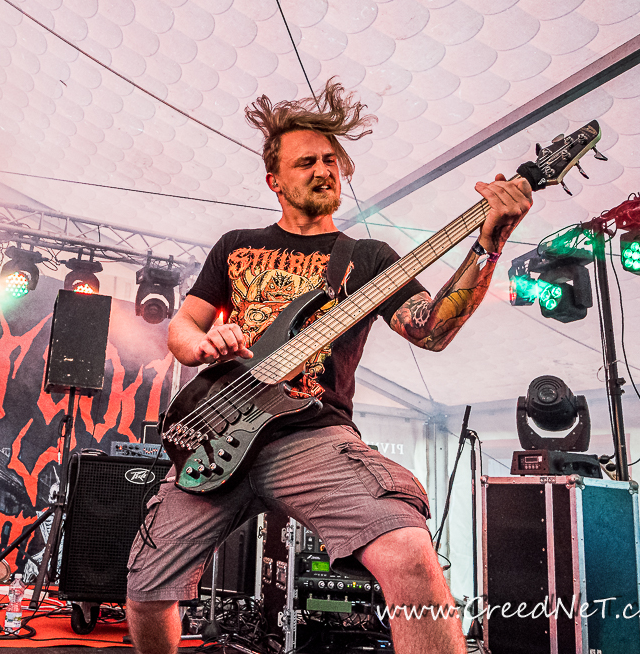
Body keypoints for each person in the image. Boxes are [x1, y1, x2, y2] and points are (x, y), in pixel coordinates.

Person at [125, 80, 532, 654]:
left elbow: (432, 330)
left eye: (330, 160)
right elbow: (181, 328)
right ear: (275, 180)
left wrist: (487, 245)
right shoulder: (236, 244)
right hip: (217, 432)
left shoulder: (367, 258)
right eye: (306, 162)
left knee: (410, 554)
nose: (324, 169)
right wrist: (204, 342)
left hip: (313, 435)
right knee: (146, 591)